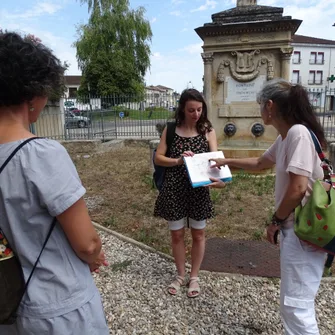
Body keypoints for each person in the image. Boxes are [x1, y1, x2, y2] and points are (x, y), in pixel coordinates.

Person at [0, 32, 109, 334]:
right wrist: (95, 254)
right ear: (33, 94)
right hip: (57, 309)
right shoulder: (41, 155)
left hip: (8, 304)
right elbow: (87, 243)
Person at [210, 79, 327, 334]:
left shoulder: (297, 133)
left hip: (302, 230)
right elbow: (261, 162)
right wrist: (224, 161)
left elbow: (297, 188)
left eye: (260, 105)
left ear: (270, 106)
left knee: (297, 306)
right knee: (293, 303)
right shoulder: (288, 135)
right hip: (296, 230)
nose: (259, 110)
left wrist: (275, 220)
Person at [154, 88, 224, 298]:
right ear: (182, 110)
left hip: (199, 188)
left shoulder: (207, 130)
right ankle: (180, 274)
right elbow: (158, 157)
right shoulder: (172, 128)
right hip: (174, 188)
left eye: (199, 109)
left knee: (199, 234)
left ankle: (194, 276)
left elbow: (216, 159)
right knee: (176, 234)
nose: (196, 114)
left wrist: (216, 174)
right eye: (191, 110)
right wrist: (178, 160)